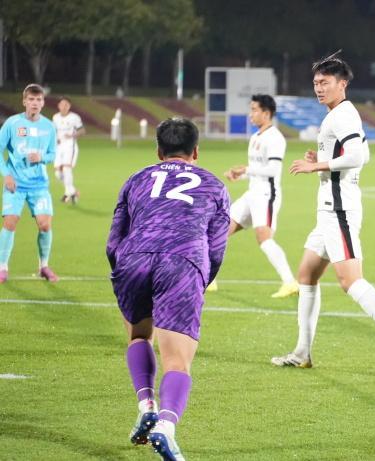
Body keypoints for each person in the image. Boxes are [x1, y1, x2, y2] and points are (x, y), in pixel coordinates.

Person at [271, 52, 375, 376]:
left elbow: (357, 157)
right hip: (328, 211)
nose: (319, 88)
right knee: (307, 275)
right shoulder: (340, 114)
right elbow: (362, 151)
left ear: (343, 84)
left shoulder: (343, 115)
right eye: (316, 82)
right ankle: (302, 352)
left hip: (339, 210)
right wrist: (322, 159)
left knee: (350, 281)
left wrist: (317, 166)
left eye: (325, 82)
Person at [106, 118, 231, 460]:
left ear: (159, 151)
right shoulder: (214, 185)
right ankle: (166, 425)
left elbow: (115, 237)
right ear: (196, 152)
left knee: (138, 336)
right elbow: (217, 248)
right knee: (177, 361)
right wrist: (198, 279)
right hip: (182, 261)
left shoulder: (136, 179)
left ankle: (146, 404)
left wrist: (122, 269)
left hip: (134, 258)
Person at [207, 94, 297, 298]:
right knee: (218, 230)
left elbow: (273, 170)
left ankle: (290, 282)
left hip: (266, 195)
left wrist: (247, 169)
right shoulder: (256, 137)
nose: (251, 114)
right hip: (252, 194)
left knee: (264, 239)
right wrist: (241, 175)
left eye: (254, 110)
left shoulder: (275, 138)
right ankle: (209, 279)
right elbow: (258, 169)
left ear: (266, 113)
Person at [0, 84, 58, 283]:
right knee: (10, 222)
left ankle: (44, 266)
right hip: (15, 184)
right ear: (24, 101)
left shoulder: (49, 127)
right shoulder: (12, 123)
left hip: (39, 185)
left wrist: (41, 157)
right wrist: (7, 175)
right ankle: (2, 267)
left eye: (38, 99)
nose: (35, 103)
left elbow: (53, 154)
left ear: (43, 103)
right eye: (31, 99)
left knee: (45, 225)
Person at [52, 97, 85, 204]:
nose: (64, 106)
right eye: (62, 104)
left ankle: (67, 193)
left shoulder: (74, 117)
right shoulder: (55, 117)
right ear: (58, 105)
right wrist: (55, 139)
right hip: (59, 147)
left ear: (69, 106)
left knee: (66, 169)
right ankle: (73, 191)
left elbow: (82, 130)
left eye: (66, 104)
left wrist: (72, 135)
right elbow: (54, 131)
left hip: (70, 146)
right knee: (58, 173)